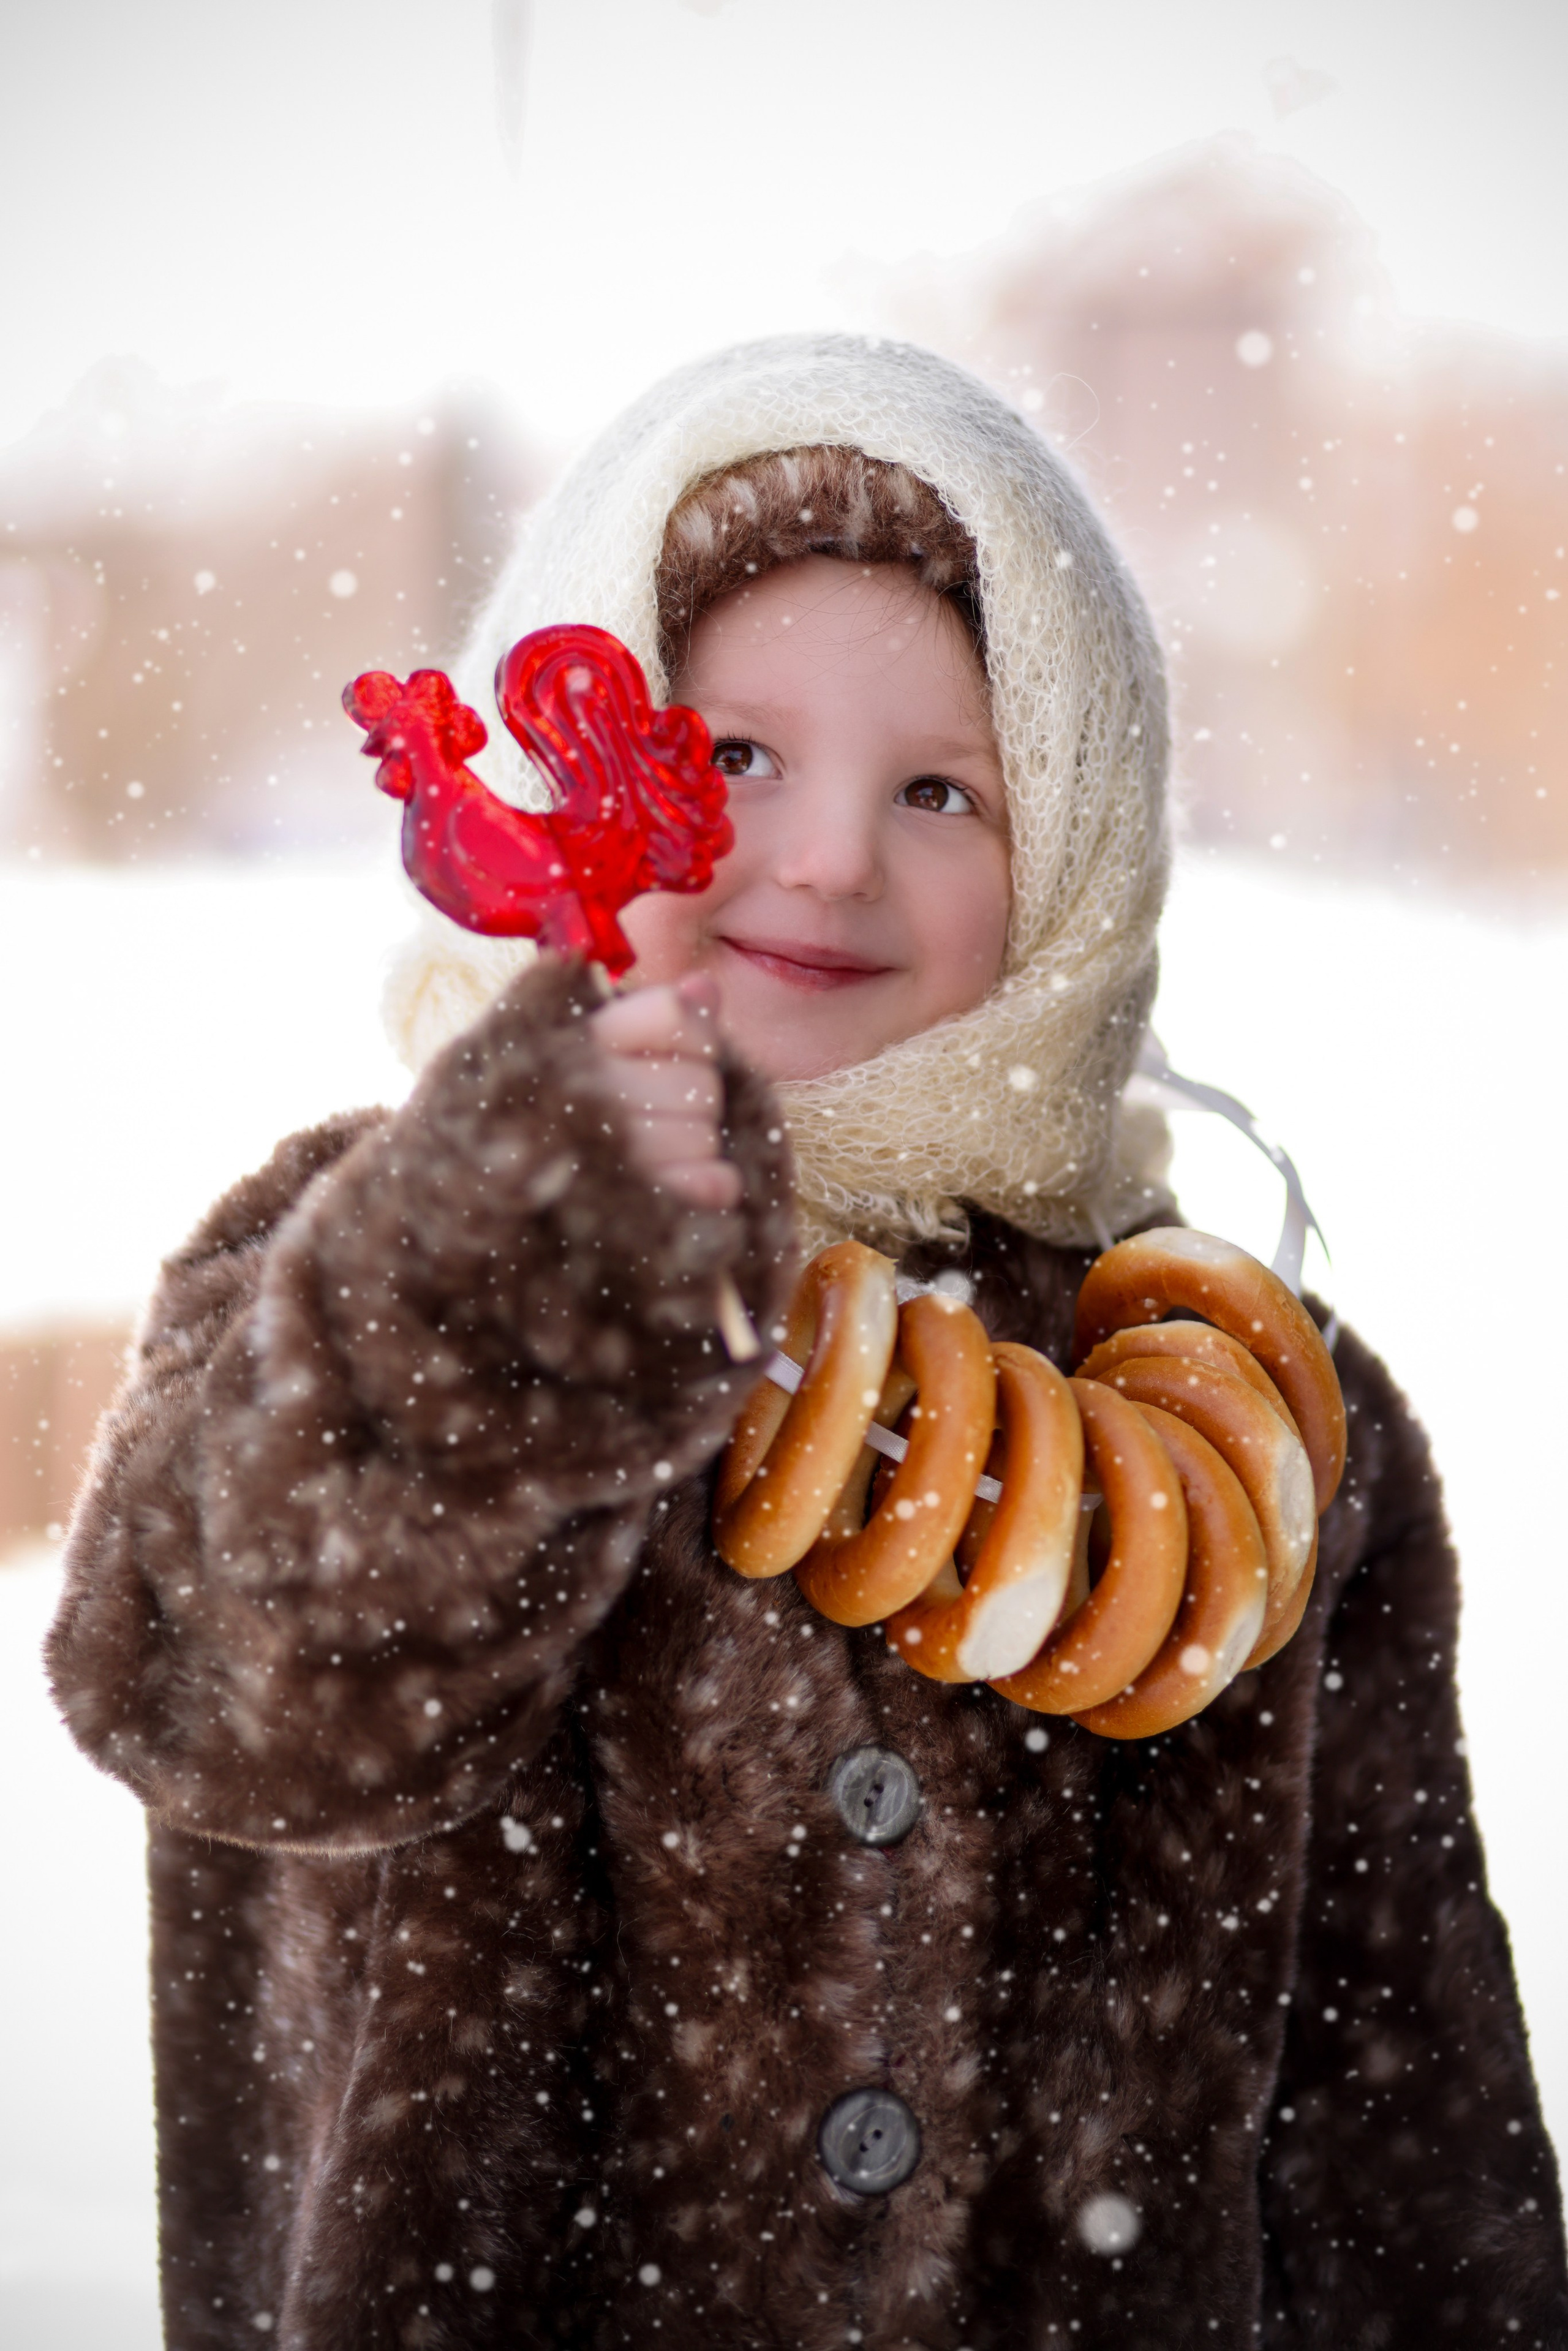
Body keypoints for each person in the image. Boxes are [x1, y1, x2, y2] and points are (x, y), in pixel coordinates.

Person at [48, 336, 1567, 2350]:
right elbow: (214, 1686)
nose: (832, 855)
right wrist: (513, 1263)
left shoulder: (1250, 1419)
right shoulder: (370, 1271)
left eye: (944, 789)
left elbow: (1406, 2114)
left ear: (1077, 867)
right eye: (736, 758)